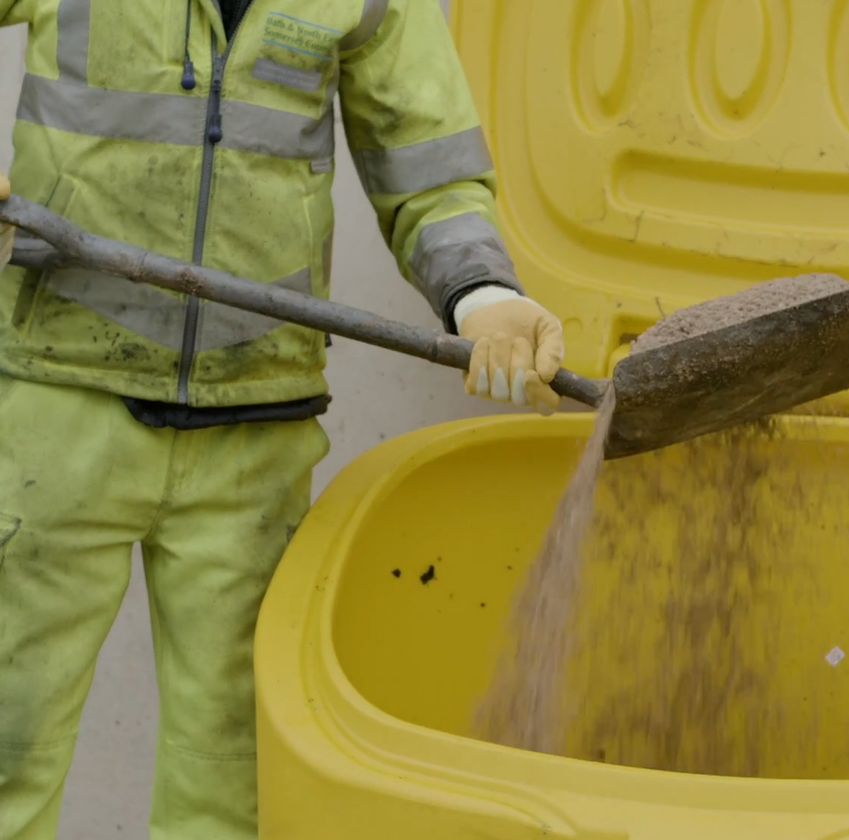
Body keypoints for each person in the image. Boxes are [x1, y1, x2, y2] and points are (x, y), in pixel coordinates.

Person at [0, 1, 565, 837]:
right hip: (61, 402)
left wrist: (481, 292)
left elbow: (426, 161)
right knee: (7, 745)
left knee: (230, 784)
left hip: (255, 434)